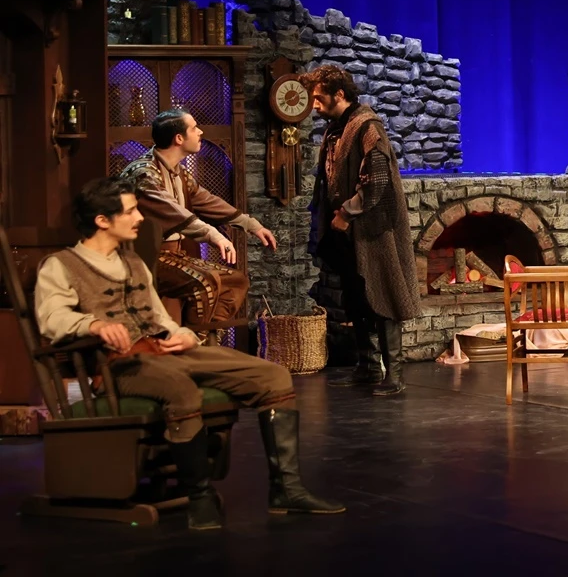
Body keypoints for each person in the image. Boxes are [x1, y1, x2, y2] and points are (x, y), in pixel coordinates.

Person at [34, 177, 344, 530]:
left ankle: (286, 490)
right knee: (180, 389)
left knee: (272, 375)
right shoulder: (61, 265)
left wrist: (181, 334)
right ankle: (199, 496)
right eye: (130, 211)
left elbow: (158, 316)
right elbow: (52, 319)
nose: (139, 218)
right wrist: (92, 325)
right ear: (102, 220)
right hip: (120, 365)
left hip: (166, 352)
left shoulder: (132, 261)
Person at [301, 65, 421, 396]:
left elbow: (377, 180)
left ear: (339, 94)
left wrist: (347, 212)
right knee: (356, 298)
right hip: (345, 232)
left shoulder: (367, 126)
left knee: (382, 295)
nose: (315, 105)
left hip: (371, 229)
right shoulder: (337, 128)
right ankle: (368, 366)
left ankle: (394, 374)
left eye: (319, 98)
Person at [119, 108, 277, 340]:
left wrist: (252, 225)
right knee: (204, 283)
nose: (200, 132)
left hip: (175, 255)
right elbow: (173, 212)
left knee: (236, 281)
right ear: (179, 138)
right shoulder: (144, 173)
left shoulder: (179, 173)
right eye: (194, 128)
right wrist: (213, 235)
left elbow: (207, 200)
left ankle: (207, 338)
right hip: (147, 258)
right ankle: (194, 344)